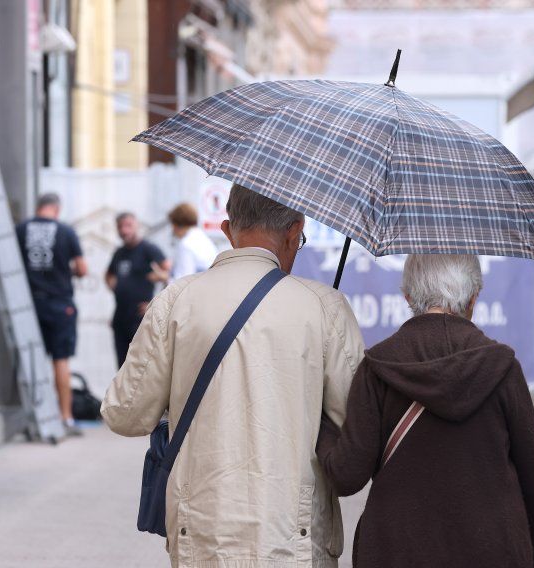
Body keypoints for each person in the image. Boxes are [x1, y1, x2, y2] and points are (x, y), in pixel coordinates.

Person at [102, 184, 365, 567]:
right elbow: (358, 428)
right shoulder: (325, 306)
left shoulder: (176, 300)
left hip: (203, 533)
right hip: (294, 533)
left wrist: (172, 406)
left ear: (228, 230)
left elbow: (123, 414)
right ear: (295, 231)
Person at [316, 254, 534, 568]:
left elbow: (347, 477)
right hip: (495, 550)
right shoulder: (503, 368)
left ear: (407, 296)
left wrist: (324, 422)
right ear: (474, 297)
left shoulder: (377, 368)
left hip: (396, 551)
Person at [16, 193, 87, 436]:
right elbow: (82, 269)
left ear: (38, 208)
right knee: (61, 360)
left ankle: (32, 417)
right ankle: (65, 418)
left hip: (29, 305)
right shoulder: (66, 231)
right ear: (56, 209)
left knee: (32, 362)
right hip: (60, 304)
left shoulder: (21, 229)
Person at [105, 212, 170, 368]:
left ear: (137, 226)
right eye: (120, 227)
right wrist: (118, 289)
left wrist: (156, 304)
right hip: (121, 318)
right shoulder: (119, 253)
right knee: (121, 368)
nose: (124, 230)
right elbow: (108, 275)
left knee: (140, 368)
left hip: (140, 319)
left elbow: (169, 275)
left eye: (128, 226)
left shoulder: (148, 249)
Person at [165, 202, 218, 281]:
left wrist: (164, 278)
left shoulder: (185, 244)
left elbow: (183, 282)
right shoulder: (204, 239)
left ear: (177, 224)